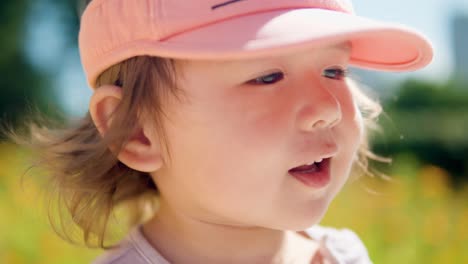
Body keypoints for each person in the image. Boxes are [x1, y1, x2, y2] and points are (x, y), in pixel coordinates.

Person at [13, 0, 433, 263]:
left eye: (334, 70)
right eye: (267, 77)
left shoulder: (344, 256)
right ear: (136, 131)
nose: (326, 109)